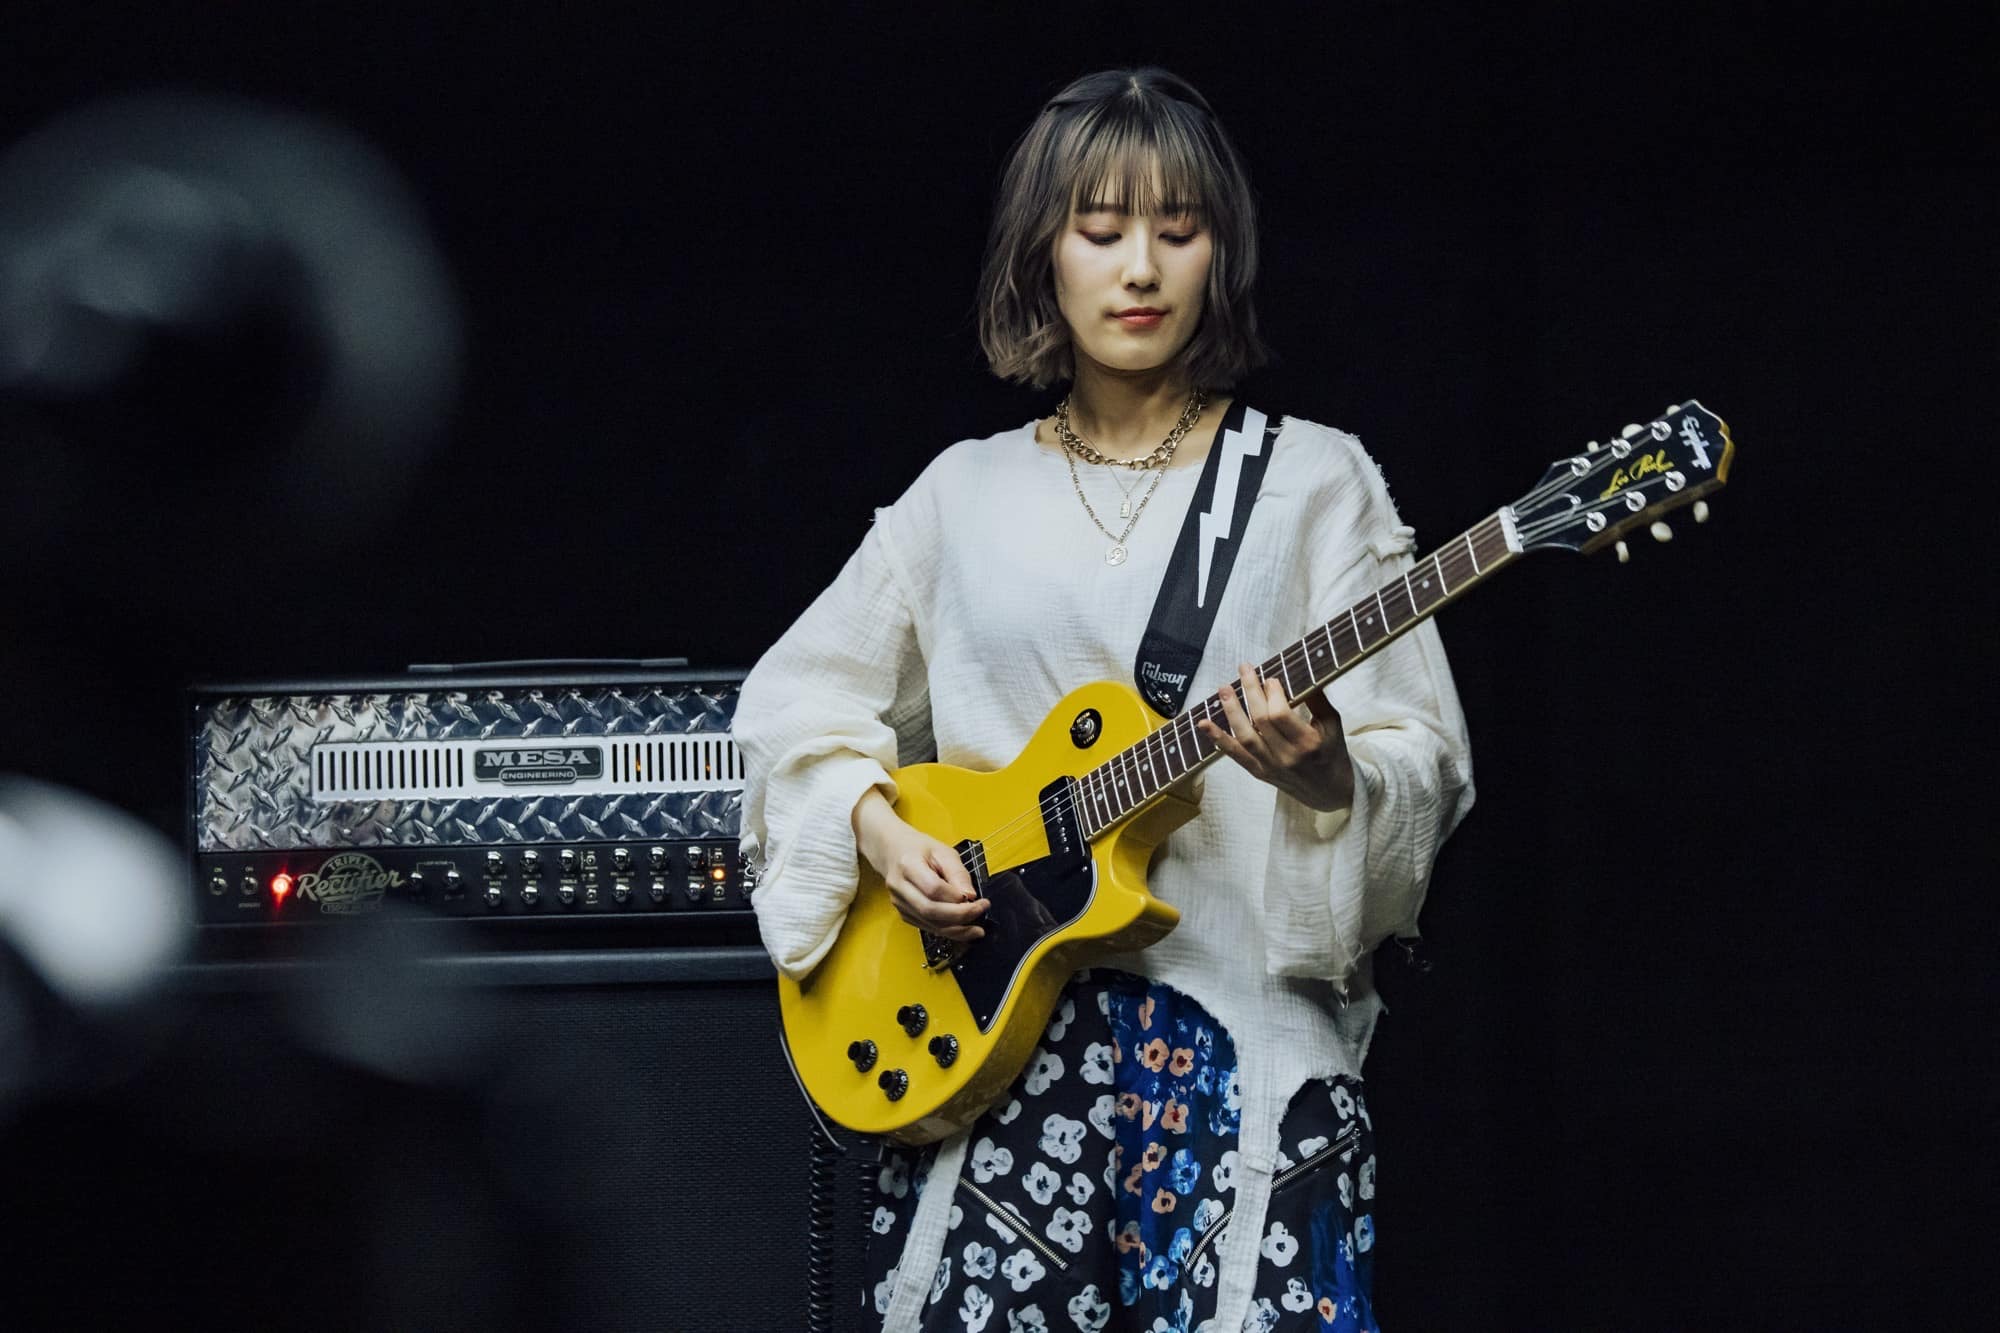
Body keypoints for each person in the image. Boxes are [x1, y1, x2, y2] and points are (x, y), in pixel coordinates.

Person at [733, 67, 1473, 1333]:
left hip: (1240, 1058)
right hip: (989, 1053)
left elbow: (1423, 755)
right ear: (1043, 251)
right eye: (1099, 229)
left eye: (1176, 232)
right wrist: (877, 829)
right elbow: (794, 700)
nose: (1139, 269)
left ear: (1218, 253)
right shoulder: (960, 496)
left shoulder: (1311, 482)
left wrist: (1326, 773)